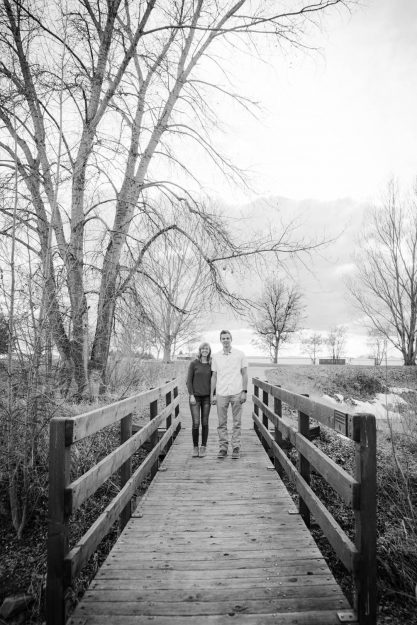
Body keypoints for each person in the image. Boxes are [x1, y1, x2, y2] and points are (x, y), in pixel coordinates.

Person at [211, 330, 248, 459]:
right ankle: (223, 448)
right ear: (220, 340)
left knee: (237, 422)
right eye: (223, 338)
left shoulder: (240, 354)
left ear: (231, 339)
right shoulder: (216, 356)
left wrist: (244, 391)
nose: (225, 340)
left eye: (227, 338)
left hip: (237, 392)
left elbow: (244, 373)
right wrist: (213, 394)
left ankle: (236, 447)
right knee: (222, 423)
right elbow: (214, 376)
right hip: (221, 392)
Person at [186, 342, 212, 458]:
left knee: (205, 422)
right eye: (203, 349)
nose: (205, 350)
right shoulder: (194, 363)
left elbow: (214, 381)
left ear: (209, 350)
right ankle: (195, 447)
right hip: (195, 397)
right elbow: (188, 381)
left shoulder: (211, 364)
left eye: (207, 349)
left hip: (207, 397)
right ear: (200, 350)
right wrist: (191, 395)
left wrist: (214, 395)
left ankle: (203, 447)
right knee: (196, 423)